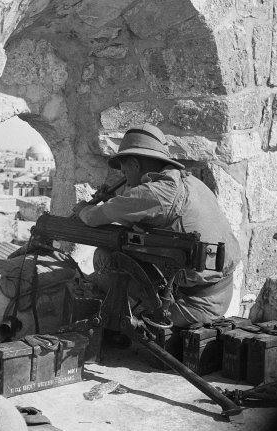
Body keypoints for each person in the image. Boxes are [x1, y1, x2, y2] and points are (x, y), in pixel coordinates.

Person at [73, 124, 241, 332]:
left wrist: (82, 207)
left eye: (124, 168)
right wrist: (117, 199)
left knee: (102, 263)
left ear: (134, 164)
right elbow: (144, 213)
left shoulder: (154, 193)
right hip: (218, 292)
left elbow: (93, 218)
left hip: (194, 304)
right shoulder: (189, 183)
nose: (122, 174)